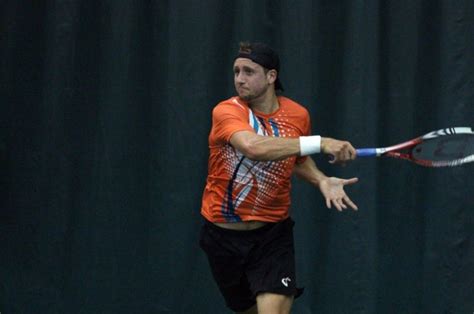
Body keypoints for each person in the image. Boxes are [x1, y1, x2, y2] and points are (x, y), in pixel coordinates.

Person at [199, 42, 358, 314]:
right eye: (236, 71)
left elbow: (295, 159)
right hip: (222, 237)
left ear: (271, 76)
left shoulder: (297, 115)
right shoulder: (226, 111)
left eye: (249, 72)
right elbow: (255, 147)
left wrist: (320, 179)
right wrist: (321, 142)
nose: (239, 79)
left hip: (273, 237)